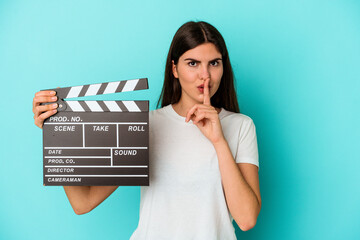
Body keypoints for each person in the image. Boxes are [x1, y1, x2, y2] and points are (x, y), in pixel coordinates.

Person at [33, 21, 261, 239]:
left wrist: (218, 141)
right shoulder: (147, 126)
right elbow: (84, 202)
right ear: (175, 69)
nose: (206, 75)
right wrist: (56, 135)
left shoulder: (240, 126)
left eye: (214, 63)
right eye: (192, 63)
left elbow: (247, 219)